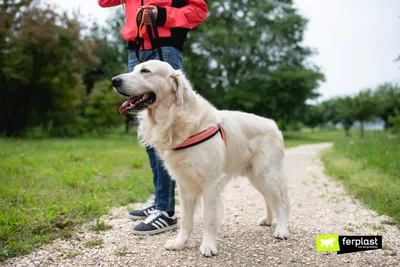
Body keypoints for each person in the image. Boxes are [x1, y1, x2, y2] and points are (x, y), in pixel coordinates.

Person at [98, 0, 208, 235]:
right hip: (135, 47)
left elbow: (199, 10)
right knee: (150, 131)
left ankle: (166, 211)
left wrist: (162, 15)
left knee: (168, 127)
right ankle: (161, 201)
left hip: (165, 47)